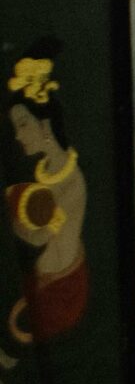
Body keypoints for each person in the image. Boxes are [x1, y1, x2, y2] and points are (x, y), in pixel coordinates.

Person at [5, 50, 88, 342]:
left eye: (23, 124)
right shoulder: (44, 172)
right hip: (38, 283)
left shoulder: (71, 182)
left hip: (59, 291)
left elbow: (37, 237)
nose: (18, 135)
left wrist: (10, 205)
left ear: (45, 125)